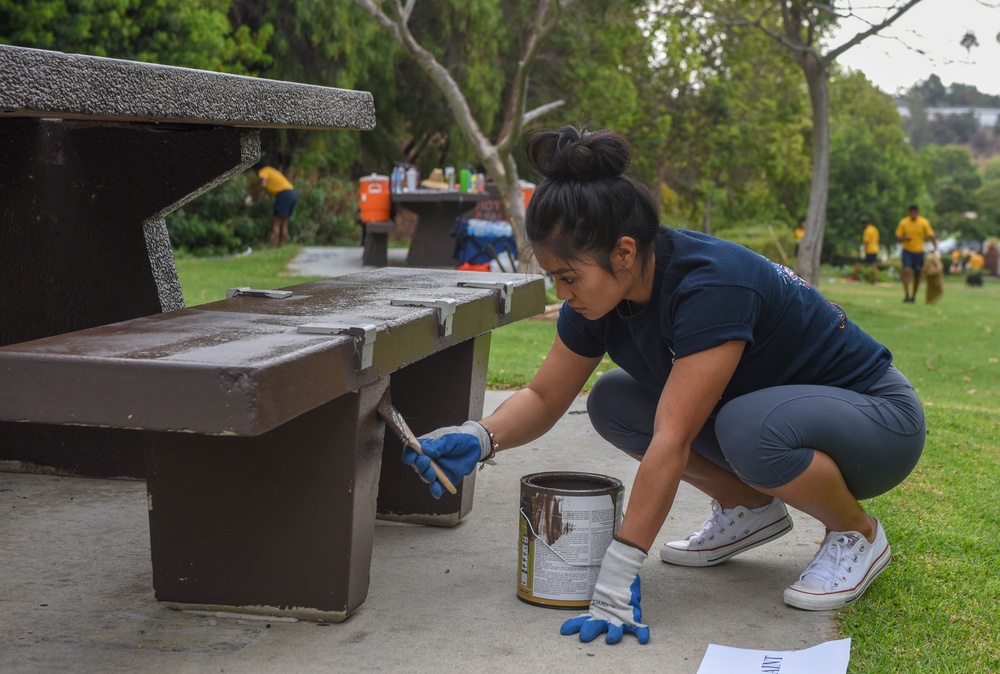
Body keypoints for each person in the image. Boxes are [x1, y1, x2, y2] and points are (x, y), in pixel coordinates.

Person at [403, 127, 926, 645]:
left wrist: (619, 571)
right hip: (781, 420)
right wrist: (480, 436)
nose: (562, 294)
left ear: (625, 253)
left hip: (878, 422)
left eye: (568, 277)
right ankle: (749, 509)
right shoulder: (598, 295)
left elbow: (672, 440)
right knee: (614, 400)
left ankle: (858, 533)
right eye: (553, 279)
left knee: (746, 428)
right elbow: (543, 397)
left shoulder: (710, 284)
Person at [247, 161, 298, 247]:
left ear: (257, 169)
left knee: (276, 223)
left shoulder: (263, 171)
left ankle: (273, 247)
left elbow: (263, 185)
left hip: (283, 195)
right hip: (292, 193)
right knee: (284, 223)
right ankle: (283, 246)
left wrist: (251, 197)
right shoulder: (271, 170)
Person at [895, 205, 937, 303]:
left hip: (919, 251)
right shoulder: (904, 222)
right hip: (907, 251)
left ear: (917, 212)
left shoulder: (923, 222)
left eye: (915, 212)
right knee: (906, 271)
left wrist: (935, 248)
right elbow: (898, 236)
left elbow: (931, 235)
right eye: (911, 212)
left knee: (917, 274)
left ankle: (913, 296)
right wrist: (905, 238)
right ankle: (906, 294)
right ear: (909, 212)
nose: (913, 214)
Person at [851, 219, 880, 284]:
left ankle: (854, 277)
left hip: (868, 250)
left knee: (858, 263)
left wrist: (864, 251)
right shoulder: (875, 229)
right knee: (874, 265)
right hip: (875, 249)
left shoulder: (867, 230)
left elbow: (866, 242)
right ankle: (874, 280)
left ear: (865, 224)